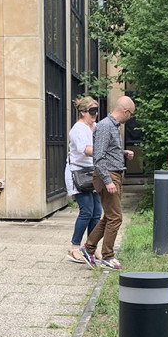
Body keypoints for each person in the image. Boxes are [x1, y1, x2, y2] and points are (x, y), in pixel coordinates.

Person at [84, 96, 136, 269]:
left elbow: (108, 150)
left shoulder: (111, 126)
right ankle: (107, 256)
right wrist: (108, 181)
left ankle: (89, 248)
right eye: (131, 114)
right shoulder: (106, 126)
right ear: (126, 111)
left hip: (113, 174)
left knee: (109, 216)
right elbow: (98, 156)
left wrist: (122, 153)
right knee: (116, 218)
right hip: (108, 176)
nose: (130, 118)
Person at [66, 96, 102, 266]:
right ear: (83, 112)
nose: (94, 114)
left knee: (97, 212)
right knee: (86, 211)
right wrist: (103, 153)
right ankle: (74, 247)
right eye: (91, 111)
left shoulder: (95, 127)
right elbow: (85, 150)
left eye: (96, 110)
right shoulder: (78, 129)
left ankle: (90, 248)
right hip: (79, 174)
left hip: (92, 172)